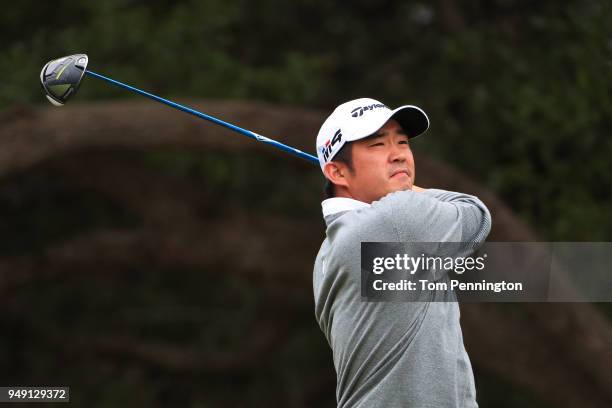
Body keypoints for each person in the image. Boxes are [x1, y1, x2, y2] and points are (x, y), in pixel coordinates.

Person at [313, 98, 492, 408]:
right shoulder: (397, 221)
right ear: (338, 172)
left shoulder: (326, 254)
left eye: (402, 142)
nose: (398, 155)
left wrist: (403, 190)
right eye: (377, 145)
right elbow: (477, 216)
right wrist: (409, 189)